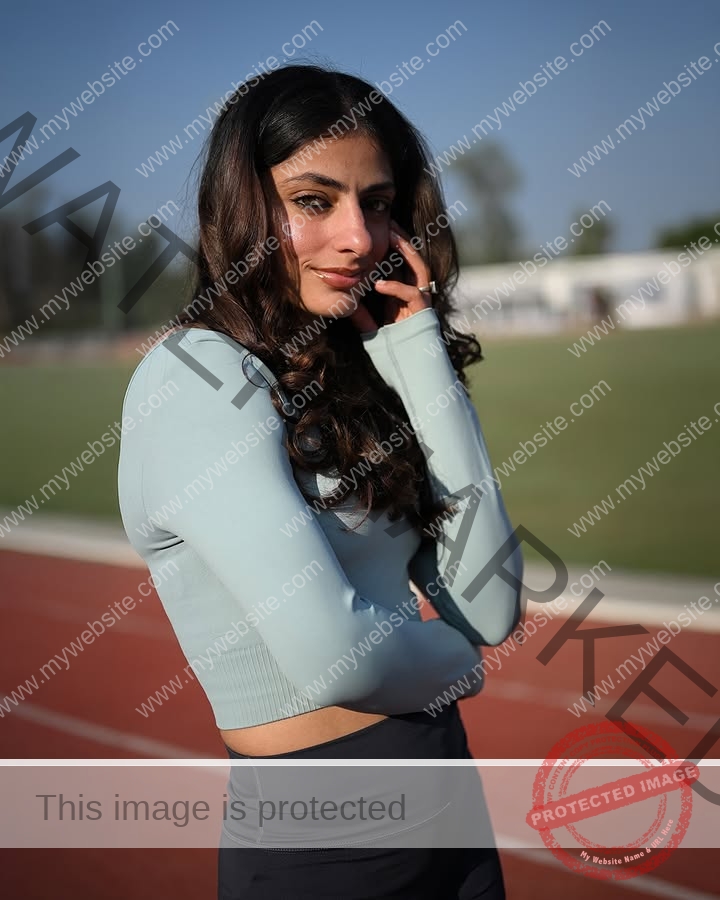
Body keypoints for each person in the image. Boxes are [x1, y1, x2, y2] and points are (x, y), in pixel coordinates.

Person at [117, 62, 523, 900]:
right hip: (326, 836)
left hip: (450, 792)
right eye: (313, 201)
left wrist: (421, 362)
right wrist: (461, 666)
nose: (359, 236)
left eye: (376, 204)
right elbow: (334, 657)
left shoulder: (354, 372)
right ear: (243, 204)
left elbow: (490, 602)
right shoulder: (193, 376)